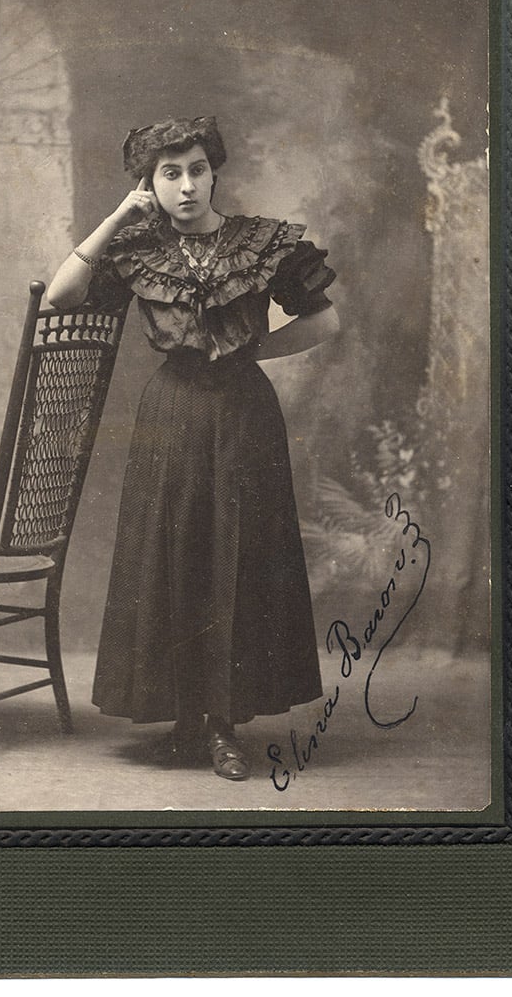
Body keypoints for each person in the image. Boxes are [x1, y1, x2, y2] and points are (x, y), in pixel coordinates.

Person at [47, 116, 339, 781]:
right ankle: (185, 717)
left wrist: (252, 350)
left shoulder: (260, 242)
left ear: (213, 173)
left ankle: (223, 724)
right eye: (169, 174)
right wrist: (117, 217)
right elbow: (61, 294)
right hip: (172, 413)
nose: (186, 186)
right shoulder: (137, 249)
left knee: (236, 555)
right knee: (174, 553)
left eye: (197, 170)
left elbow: (326, 320)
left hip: (243, 415)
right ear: (149, 184)